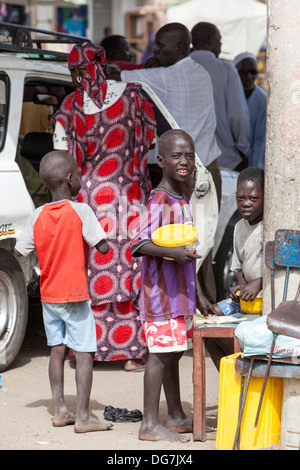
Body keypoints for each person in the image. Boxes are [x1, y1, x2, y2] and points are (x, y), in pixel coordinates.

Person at [52, 42, 156, 371]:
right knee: (130, 270)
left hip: (89, 203)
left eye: (72, 71)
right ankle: (131, 354)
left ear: (80, 70)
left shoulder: (70, 107)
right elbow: (151, 142)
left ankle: (90, 351)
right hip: (130, 200)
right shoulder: (136, 96)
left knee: (92, 271)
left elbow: (60, 159)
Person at [110, 22, 221, 305]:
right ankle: (201, 315)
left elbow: (114, 74)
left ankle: (188, 312)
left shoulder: (167, 76)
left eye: (161, 45)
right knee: (201, 250)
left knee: (181, 247)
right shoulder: (201, 72)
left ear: (181, 48)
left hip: (185, 176)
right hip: (207, 169)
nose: (155, 49)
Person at [15, 151, 113, 433]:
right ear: (71, 180)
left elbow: (21, 249)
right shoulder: (81, 210)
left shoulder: (38, 215)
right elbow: (103, 248)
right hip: (75, 296)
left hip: (49, 297)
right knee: (83, 353)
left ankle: (60, 410)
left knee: (56, 350)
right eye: (79, 175)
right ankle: (83, 416)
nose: (81, 179)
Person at [131, 129, 201, 442]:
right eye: (176, 156)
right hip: (161, 297)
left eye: (189, 155)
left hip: (179, 297)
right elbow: (137, 243)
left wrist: (202, 297)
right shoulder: (160, 199)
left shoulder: (180, 197)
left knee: (172, 353)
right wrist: (172, 253)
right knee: (159, 356)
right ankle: (149, 424)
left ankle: (175, 415)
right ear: (161, 161)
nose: (184, 161)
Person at [206, 167, 264, 370]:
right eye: (240, 198)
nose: (245, 204)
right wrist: (240, 285)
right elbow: (238, 266)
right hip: (246, 299)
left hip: (265, 299)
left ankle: (247, 366)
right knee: (211, 318)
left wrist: (259, 282)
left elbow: (278, 268)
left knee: (234, 333)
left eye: (253, 198)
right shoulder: (239, 226)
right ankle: (231, 378)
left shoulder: (269, 226)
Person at [190, 22, 250, 175]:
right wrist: (243, 148)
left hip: (186, 159)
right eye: (220, 41)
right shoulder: (226, 70)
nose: (221, 46)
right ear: (211, 41)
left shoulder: (176, 69)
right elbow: (238, 117)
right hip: (224, 158)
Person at [234, 52, 266, 170]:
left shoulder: (263, 101)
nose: (248, 76)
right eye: (243, 72)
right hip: (231, 161)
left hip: (253, 164)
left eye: (253, 72)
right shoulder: (229, 96)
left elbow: (260, 140)